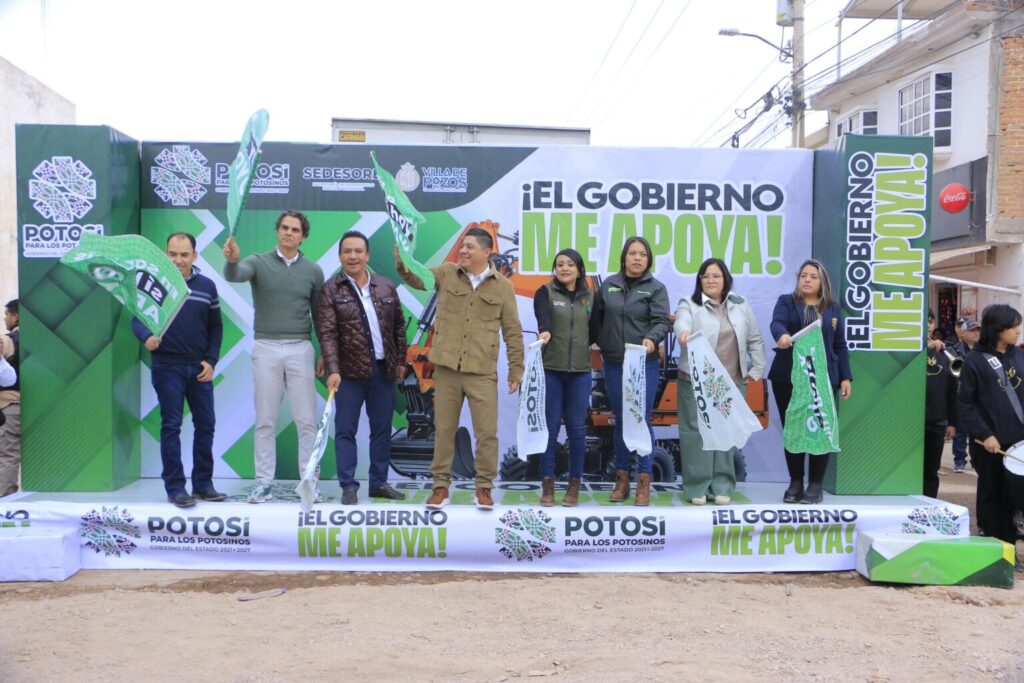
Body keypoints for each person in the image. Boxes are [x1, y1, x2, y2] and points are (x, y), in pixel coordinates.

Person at [394, 226, 524, 510]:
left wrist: (516, 370)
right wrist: (403, 264)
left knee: (486, 433)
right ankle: (440, 487)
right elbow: (419, 279)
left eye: (469, 247)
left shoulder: (503, 287)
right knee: (443, 430)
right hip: (447, 370)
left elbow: (513, 332)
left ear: (486, 252)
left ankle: (484, 488)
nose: (463, 250)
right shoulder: (447, 273)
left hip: (482, 372)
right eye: (462, 246)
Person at [223, 211, 326, 504]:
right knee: (265, 420)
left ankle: (309, 484)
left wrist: (323, 352)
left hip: (301, 348)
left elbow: (319, 315)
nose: (288, 233)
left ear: (303, 237)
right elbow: (235, 275)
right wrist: (232, 260)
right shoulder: (257, 262)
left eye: (295, 230)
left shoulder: (313, 271)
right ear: (277, 231)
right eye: (284, 228)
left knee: (307, 421)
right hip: (266, 347)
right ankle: (263, 484)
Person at [132, 234, 224, 508]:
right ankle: (175, 488)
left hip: (199, 367)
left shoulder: (207, 286)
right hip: (166, 366)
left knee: (206, 425)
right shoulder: (151, 284)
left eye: (184, 255)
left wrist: (211, 361)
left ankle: (203, 485)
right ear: (165, 254)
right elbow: (137, 320)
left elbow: (216, 327)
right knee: (171, 426)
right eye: (173, 254)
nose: (178, 260)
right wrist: (146, 337)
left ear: (195, 256)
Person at [316, 231, 408, 505]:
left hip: (383, 371)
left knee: (382, 430)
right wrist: (333, 369)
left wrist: (401, 361)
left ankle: (379, 483)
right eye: (347, 251)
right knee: (346, 430)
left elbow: (398, 328)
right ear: (340, 256)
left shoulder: (386, 286)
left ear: (367, 255)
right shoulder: (331, 289)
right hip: (348, 374)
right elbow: (327, 334)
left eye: (358, 251)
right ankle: (348, 486)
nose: (353, 256)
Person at [674, 258, 765, 506]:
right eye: (705, 276)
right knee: (696, 434)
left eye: (716, 275)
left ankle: (723, 485)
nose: (710, 280)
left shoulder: (740, 304)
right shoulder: (689, 304)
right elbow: (681, 322)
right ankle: (697, 487)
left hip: (731, 382)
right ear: (699, 280)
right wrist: (683, 333)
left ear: (725, 279)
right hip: (695, 382)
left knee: (727, 433)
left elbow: (754, 338)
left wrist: (757, 368)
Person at [590, 236, 670, 506]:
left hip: (644, 363)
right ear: (624, 257)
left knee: (642, 420)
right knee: (622, 421)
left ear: (649, 260)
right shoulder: (608, 286)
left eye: (642, 254)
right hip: (614, 362)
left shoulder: (656, 288)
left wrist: (651, 339)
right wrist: (600, 341)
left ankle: (644, 481)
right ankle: (622, 480)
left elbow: (661, 322)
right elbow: (597, 319)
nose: (637, 258)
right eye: (632, 253)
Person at [768, 259, 852, 505]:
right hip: (788, 377)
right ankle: (795, 482)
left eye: (813, 276)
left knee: (821, 426)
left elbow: (839, 344)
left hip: (822, 378)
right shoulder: (786, 301)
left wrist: (845, 376)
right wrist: (782, 335)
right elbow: (777, 323)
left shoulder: (832, 308)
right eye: (803, 275)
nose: (807, 280)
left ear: (822, 281)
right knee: (793, 428)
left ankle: (815, 485)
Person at [956, 303, 1024, 571]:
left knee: (1013, 498)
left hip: (1017, 444)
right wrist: (985, 434)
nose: (1018, 331)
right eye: (1014, 326)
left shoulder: (1019, 356)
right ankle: (996, 551)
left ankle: (1009, 548)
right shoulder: (975, 361)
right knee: (992, 494)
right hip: (989, 444)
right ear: (998, 329)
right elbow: (965, 404)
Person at [533, 248, 593, 507]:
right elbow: (543, 318)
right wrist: (545, 331)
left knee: (577, 430)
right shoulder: (545, 292)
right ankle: (548, 484)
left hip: (581, 373)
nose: (565, 268)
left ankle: (574, 484)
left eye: (570, 264)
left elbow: (596, 328)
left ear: (579, 269)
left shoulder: (591, 297)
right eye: (560, 264)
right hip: (551, 370)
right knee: (550, 429)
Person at [924, 309, 957, 499]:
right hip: (909, 422)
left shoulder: (945, 352)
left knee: (931, 471)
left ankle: (929, 505)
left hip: (937, 421)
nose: (928, 325)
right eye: (923, 320)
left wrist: (952, 422)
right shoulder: (904, 350)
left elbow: (952, 390)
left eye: (930, 321)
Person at [951, 319, 980, 472]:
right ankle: (959, 459)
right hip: (961, 392)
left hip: (978, 394)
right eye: (972, 330)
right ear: (963, 333)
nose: (976, 333)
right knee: (961, 428)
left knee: (978, 429)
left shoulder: (982, 351)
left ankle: (977, 459)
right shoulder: (954, 350)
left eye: (978, 330)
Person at [0, 300, 20, 497]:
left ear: (16, 316)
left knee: (7, 455)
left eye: (7, 314)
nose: (5, 319)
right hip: (39, 406)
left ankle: (6, 503)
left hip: (10, 405)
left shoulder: (7, 341)